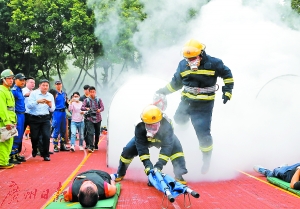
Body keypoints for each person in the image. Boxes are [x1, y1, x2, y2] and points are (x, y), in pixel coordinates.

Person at [155, 39, 234, 174]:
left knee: (203, 134)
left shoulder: (214, 63)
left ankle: (207, 159)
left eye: (193, 57)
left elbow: (227, 75)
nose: (191, 60)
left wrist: (227, 91)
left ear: (201, 54)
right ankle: (185, 133)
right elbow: (175, 83)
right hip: (187, 101)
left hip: (204, 105)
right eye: (188, 58)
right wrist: (163, 91)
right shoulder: (183, 65)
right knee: (178, 119)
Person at [112, 105, 188, 184]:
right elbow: (141, 147)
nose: (151, 127)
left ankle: (179, 174)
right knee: (128, 150)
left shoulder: (167, 126)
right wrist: (147, 164)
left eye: (154, 125)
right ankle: (120, 173)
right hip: (144, 140)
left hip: (163, 140)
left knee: (176, 149)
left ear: (160, 122)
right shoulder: (139, 126)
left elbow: (167, 147)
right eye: (148, 125)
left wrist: (159, 166)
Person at [27, 79, 55, 161]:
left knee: (46, 136)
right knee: (34, 137)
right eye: (43, 85)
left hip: (45, 118)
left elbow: (53, 109)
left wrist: (50, 105)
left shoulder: (50, 96)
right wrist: (37, 101)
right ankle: (35, 148)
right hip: (34, 118)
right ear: (39, 86)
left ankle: (45, 154)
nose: (45, 87)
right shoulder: (34, 94)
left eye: (47, 85)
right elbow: (28, 106)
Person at [0, 69, 16, 169]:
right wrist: (7, 121)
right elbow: (2, 108)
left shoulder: (8, 91)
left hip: (11, 120)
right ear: (3, 79)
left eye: (12, 78)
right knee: (4, 142)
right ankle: (2, 162)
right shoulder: (1, 91)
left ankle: (4, 160)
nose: (11, 80)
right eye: (9, 78)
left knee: (8, 141)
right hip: (4, 121)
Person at [9, 73, 27, 164]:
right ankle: (12, 155)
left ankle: (16, 153)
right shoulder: (14, 91)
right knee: (16, 135)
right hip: (17, 115)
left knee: (20, 135)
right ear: (15, 80)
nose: (23, 82)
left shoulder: (20, 90)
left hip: (22, 114)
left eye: (24, 80)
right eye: (21, 80)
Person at [81, 86, 104, 152]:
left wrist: (99, 110)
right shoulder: (86, 100)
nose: (92, 93)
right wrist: (87, 108)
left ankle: (96, 144)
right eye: (90, 92)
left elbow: (102, 107)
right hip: (90, 118)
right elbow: (82, 107)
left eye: (93, 92)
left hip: (98, 118)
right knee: (90, 132)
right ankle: (91, 146)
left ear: (95, 92)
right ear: (89, 92)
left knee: (97, 133)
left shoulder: (99, 99)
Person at [52, 80, 69, 152]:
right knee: (56, 129)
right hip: (57, 112)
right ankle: (55, 145)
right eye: (57, 84)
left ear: (61, 85)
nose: (58, 85)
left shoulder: (64, 94)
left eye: (59, 84)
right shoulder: (54, 94)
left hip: (63, 112)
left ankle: (62, 144)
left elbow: (66, 103)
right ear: (55, 85)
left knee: (63, 129)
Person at [22, 77, 35, 141]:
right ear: (26, 83)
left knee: (34, 133)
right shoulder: (23, 90)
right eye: (31, 82)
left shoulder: (33, 91)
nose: (33, 84)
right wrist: (36, 92)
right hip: (24, 114)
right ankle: (17, 149)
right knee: (21, 131)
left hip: (32, 114)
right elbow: (26, 94)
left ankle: (35, 149)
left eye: (34, 83)